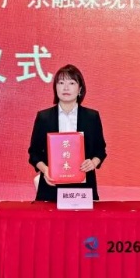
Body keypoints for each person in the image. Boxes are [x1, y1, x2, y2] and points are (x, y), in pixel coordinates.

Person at [28, 64, 107, 201]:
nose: (65, 87)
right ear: (55, 88)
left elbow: (100, 150)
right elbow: (34, 153)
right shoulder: (44, 117)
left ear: (80, 89)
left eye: (71, 83)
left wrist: (93, 163)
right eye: (61, 83)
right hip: (51, 186)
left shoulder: (92, 117)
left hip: (83, 188)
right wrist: (46, 170)